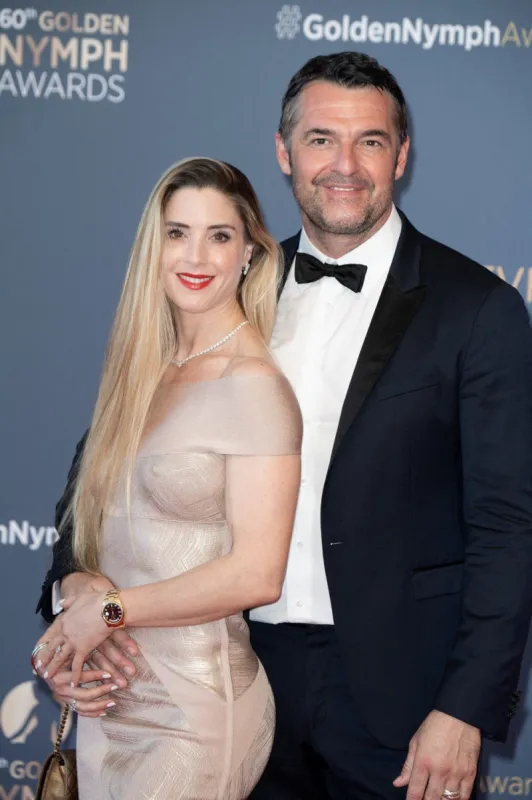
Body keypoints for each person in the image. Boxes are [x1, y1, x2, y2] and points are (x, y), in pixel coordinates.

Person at [37, 51, 532, 800]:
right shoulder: (228, 286)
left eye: (369, 141)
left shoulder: (476, 309)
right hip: (240, 679)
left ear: (401, 156)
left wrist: (464, 708)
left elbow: (507, 526)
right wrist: (74, 586)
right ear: (284, 151)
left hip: (403, 699)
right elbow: (101, 470)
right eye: (320, 139)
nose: (344, 165)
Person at [31, 157, 302, 799]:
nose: (196, 255)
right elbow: (83, 526)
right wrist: (77, 605)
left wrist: (109, 613)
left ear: (249, 253)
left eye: (219, 235)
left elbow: (256, 575)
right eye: (177, 233)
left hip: (194, 714)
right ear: (152, 248)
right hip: (113, 701)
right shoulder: (140, 373)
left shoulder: (253, 384)